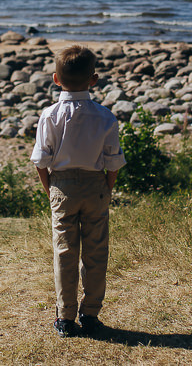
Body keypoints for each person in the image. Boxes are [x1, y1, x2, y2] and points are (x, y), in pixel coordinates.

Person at [31, 45, 125, 338]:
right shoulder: (105, 116)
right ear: (93, 79)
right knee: (96, 252)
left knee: (64, 252)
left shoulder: (50, 115)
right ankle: (91, 312)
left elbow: (41, 161)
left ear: (56, 79)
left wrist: (51, 190)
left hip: (62, 185)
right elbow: (113, 162)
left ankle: (66, 316)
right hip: (96, 185)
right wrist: (106, 188)